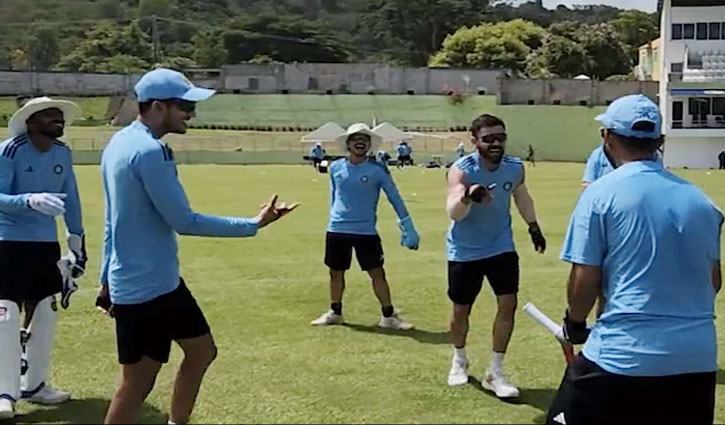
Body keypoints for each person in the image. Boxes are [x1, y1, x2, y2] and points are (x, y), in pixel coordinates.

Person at [97, 68, 299, 425]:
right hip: (145, 289)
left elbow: (113, 220)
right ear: (157, 106)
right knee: (137, 383)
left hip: (161, 282)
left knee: (202, 350)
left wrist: (105, 279)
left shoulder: (120, 142)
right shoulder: (148, 151)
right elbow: (184, 221)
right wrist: (253, 225)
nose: (192, 113)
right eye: (184, 105)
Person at [547, 94, 723, 425]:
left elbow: (585, 279)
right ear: (659, 142)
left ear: (607, 138)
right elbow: (712, 280)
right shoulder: (702, 201)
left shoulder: (599, 194)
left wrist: (574, 322)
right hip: (696, 359)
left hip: (622, 356)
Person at [445, 114, 546, 398]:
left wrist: (534, 226)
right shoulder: (461, 170)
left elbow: (521, 195)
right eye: (488, 138)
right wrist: (468, 196)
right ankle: (459, 359)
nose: (495, 143)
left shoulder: (514, 168)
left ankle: (495, 371)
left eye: (500, 138)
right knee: (461, 310)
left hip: (501, 246)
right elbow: (453, 210)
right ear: (474, 140)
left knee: (508, 304)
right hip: (465, 251)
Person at [0, 97, 86, 419]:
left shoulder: (63, 152)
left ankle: (34, 384)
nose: (58, 121)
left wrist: (76, 240)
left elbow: (72, 198)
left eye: (60, 116)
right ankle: (4, 392)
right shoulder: (10, 150)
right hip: (8, 241)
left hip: (45, 244)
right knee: (6, 314)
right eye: (50, 116)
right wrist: (29, 200)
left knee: (45, 311)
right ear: (31, 121)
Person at [310, 123, 419, 330]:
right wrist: (333, 218)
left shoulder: (377, 171)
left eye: (364, 139)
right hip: (337, 228)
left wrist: (407, 225)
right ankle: (335, 312)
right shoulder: (336, 168)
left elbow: (394, 197)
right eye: (355, 139)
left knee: (377, 272)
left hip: (365, 231)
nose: (360, 142)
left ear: (369, 145)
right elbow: (335, 197)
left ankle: (389, 316)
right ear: (348, 144)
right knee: (335, 272)